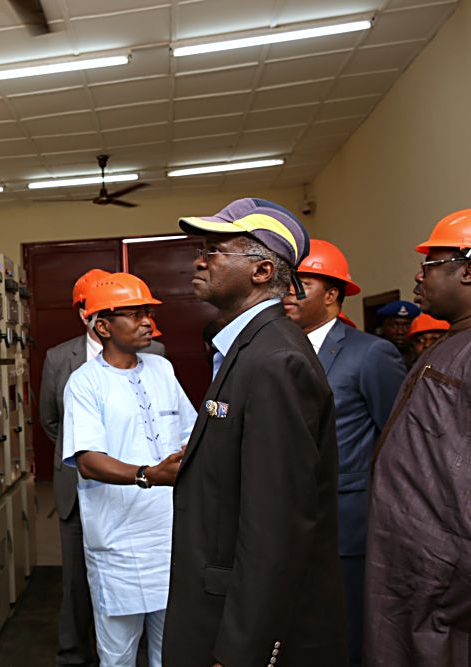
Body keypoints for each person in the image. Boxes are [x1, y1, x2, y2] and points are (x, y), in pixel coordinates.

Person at [161, 198, 349, 667]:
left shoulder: (274, 361)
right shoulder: (245, 349)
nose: (199, 260)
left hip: (237, 628)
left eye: (214, 250)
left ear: (262, 271)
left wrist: (243, 650)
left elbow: (277, 525)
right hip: (215, 605)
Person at [281, 239, 407, 667]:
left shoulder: (370, 354)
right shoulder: (279, 351)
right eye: (287, 285)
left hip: (348, 525)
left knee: (348, 632)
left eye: (302, 285)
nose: (289, 294)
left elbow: (397, 440)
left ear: (332, 294)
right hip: (288, 521)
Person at [61, 272, 196, 667]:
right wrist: (149, 475)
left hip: (169, 535)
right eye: (134, 314)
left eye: (147, 313)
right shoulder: (85, 383)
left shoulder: (161, 369)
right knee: (118, 656)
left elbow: (188, 430)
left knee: (169, 650)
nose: (146, 323)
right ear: (102, 326)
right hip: (120, 543)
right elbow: (87, 460)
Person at [365, 209, 471, 667]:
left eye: (431, 263)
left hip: (447, 578)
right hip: (420, 572)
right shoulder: (453, 342)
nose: (419, 275)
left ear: (466, 269)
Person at [39, 268, 109, 667]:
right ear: (84, 314)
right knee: (76, 582)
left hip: (132, 487)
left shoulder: (153, 355)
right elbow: (52, 422)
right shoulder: (58, 357)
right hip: (77, 487)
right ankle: (73, 654)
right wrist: (84, 459)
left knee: (124, 576)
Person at [375, 300, 420, 367]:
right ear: (383, 327)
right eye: (393, 325)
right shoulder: (374, 358)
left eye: (406, 325)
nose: (400, 332)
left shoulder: (422, 356)